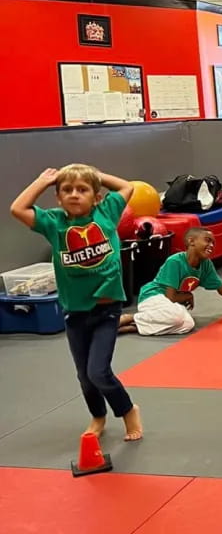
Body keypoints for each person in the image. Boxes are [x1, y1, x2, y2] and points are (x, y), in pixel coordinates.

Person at [10, 164, 143, 441]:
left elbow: (126, 186)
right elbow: (18, 209)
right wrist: (43, 180)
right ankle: (98, 415)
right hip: (74, 311)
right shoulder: (55, 222)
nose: (74, 194)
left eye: (82, 190)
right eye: (67, 190)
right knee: (84, 376)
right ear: (58, 198)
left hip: (107, 309)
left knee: (99, 371)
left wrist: (95, 174)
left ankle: (128, 410)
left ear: (96, 196)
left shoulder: (107, 212)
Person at [119, 227, 222, 335]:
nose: (211, 246)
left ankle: (130, 327)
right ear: (191, 241)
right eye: (207, 241)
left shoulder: (206, 264)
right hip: (153, 297)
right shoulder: (175, 261)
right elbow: (170, 296)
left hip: (168, 305)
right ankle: (129, 317)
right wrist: (188, 296)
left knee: (187, 324)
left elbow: (221, 288)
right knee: (177, 317)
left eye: (213, 243)